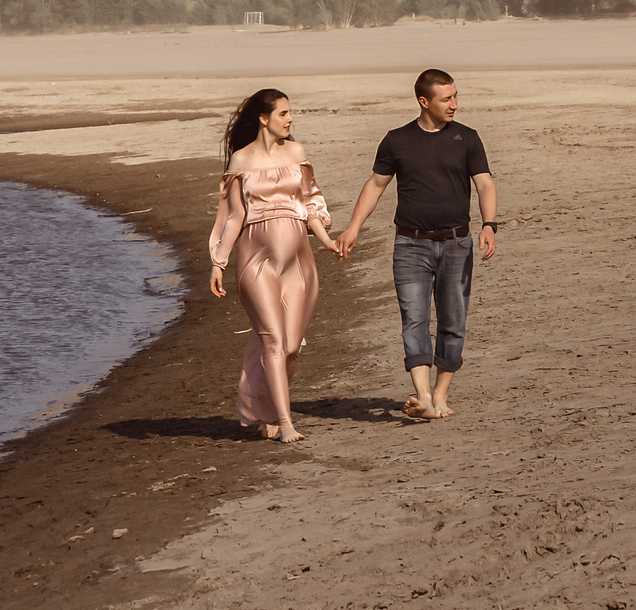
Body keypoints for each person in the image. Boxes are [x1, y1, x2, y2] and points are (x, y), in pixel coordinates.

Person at [334, 68, 498, 421]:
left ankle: (440, 394)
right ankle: (422, 395)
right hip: (410, 246)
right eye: (446, 99)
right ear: (424, 102)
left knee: (453, 322)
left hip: (457, 244)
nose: (454, 104)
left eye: (455, 96)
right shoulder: (397, 140)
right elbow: (376, 185)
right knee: (415, 320)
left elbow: (484, 183)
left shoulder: (466, 138)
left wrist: (488, 224)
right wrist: (353, 228)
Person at [207, 88, 341, 444]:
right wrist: (217, 263)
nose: (290, 119)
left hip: (299, 261)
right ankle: (285, 423)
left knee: (292, 346)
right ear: (264, 119)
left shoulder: (296, 153)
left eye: (290, 112)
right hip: (255, 262)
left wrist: (327, 241)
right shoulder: (240, 160)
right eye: (283, 114)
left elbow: (310, 203)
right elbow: (234, 216)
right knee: (273, 342)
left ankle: (263, 407)